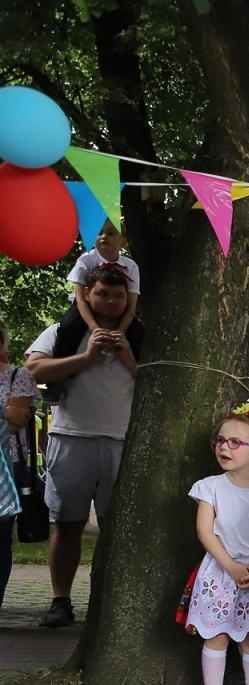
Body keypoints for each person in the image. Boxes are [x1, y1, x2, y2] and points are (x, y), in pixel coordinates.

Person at [25, 265, 141, 628]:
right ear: (87, 294)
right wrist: (86, 359)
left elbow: (161, 381)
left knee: (115, 527)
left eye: (117, 295)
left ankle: (108, 605)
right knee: (68, 524)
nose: (110, 301)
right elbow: (32, 372)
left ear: (128, 300)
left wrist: (126, 356)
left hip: (122, 442)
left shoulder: (141, 335)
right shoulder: (64, 330)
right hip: (71, 438)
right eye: (102, 294)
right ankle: (60, 601)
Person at [176, 408, 249, 685]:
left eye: (236, 442)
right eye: (220, 440)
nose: (225, 447)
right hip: (221, 572)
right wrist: (231, 566)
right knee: (216, 635)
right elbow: (205, 531)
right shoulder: (210, 486)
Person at [0, 332, 36, 610]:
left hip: (7, 465)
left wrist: (7, 414)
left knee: (1, 540)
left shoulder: (18, 376)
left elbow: (15, 421)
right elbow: (7, 415)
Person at [68, 221, 139, 334]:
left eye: (111, 233)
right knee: (67, 326)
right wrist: (94, 328)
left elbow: (131, 307)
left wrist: (120, 332)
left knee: (137, 331)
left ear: (123, 241)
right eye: (99, 233)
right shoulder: (85, 260)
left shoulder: (131, 266)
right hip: (85, 307)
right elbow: (80, 299)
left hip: (117, 308)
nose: (104, 236)